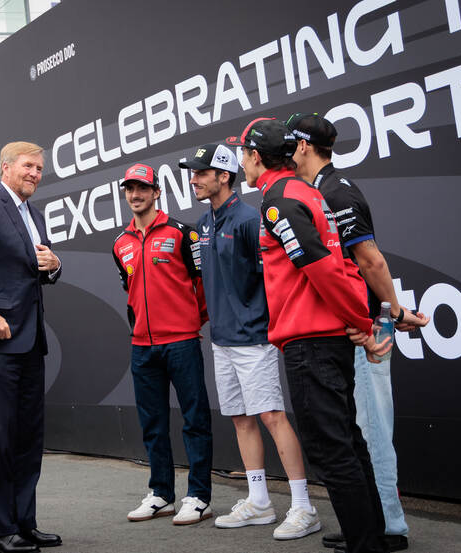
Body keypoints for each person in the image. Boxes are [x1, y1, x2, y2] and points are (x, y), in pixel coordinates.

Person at [231, 118, 391, 553]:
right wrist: (357, 319)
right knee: (348, 444)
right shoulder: (307, 193)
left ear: (256, 157)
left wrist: (360, 322)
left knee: (333, 451)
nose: (241, 163)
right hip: (324, 340)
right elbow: (341, 267)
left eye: (243, 154)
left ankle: (367, 545)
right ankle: (374, 535)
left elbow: (322, 268)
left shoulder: (279, 200)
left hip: (311, 344)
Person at [286, 113, 430, 552]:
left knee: (370, 431)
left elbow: (371, 261)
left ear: (305, 147)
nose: (286, 154)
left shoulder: (335, 191)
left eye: (291, 145)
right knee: (357, 429)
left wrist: (391, 312)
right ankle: (370, 523)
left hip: (366, 329)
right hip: (351, 329)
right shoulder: (317, 192)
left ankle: (388, 528)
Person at [183, 144, 319, 539]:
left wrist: (264, 325)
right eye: (193, 173)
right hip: (222, 340)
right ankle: (259, 502)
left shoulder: (249, 219)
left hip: (254, 339)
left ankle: (303, 506)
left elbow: (271, 280)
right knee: (241, 420)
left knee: (272, 416)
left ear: (224, 176)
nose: (194, 179)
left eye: (201, 172)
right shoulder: (203, 224)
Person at [0, 141, 62, 553]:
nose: (35, 174)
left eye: (40, 169)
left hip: (32, 338)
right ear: (5, 167)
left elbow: (34, 270)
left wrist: (55, 265)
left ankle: (26, 522)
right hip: (2, 340)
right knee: (3, 437)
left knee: (29, 437)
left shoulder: (34, 215)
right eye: (28, 166)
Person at [111, 163, 214, 526]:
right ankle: (161, 494)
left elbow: (201, 288)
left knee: (194, 421)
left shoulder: (182, 234)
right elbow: (130, 292)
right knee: (152, 423)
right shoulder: (120, 243)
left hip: (182, 342)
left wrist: (188, 323)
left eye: (142, 188)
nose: (135, 195)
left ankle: (199, 496)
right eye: (129, 189)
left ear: (157, 192)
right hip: (142, 346)